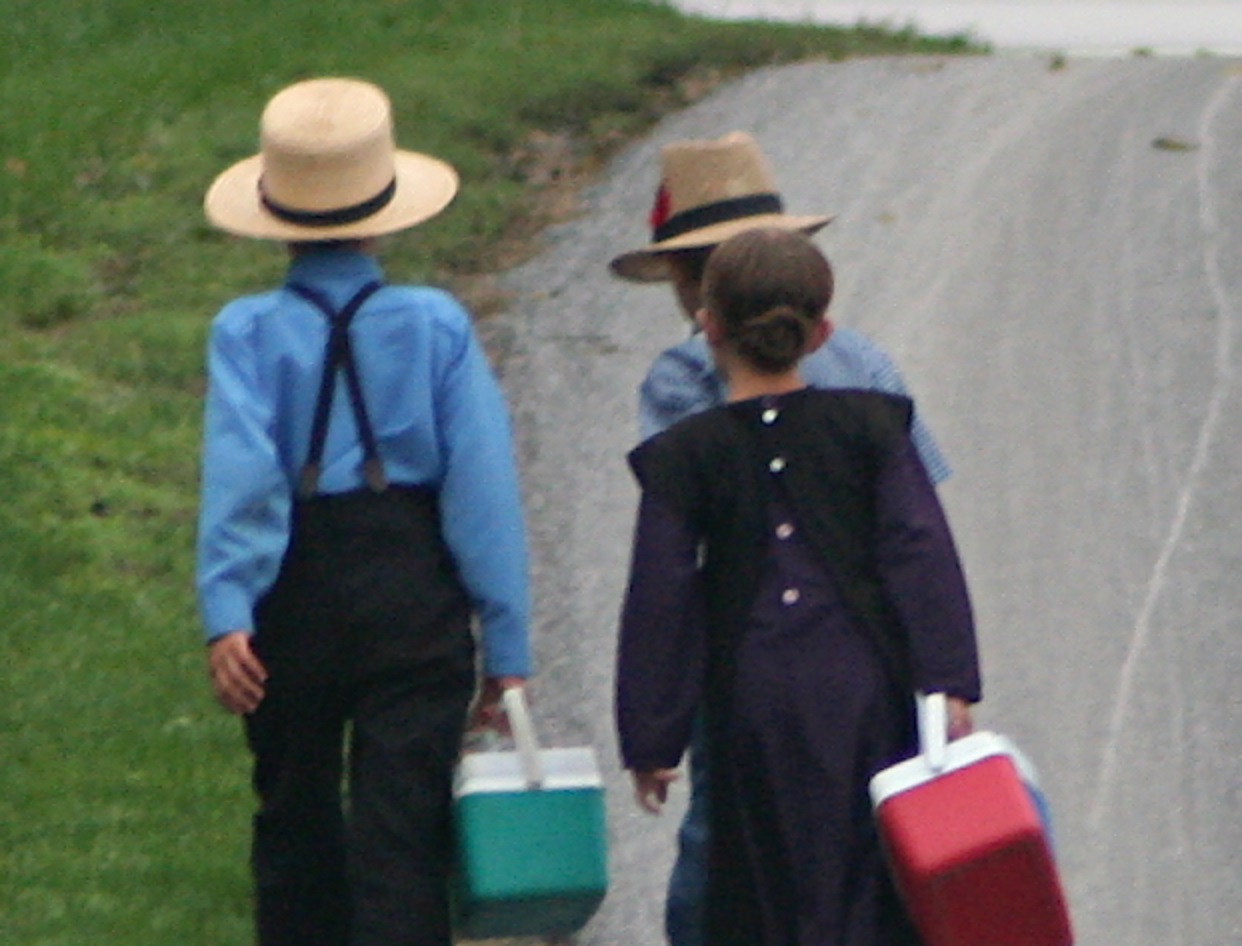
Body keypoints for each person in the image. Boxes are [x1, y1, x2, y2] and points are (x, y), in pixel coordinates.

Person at [196, 77, 531, 946]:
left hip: (294, 594)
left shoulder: (245, 331)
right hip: (412, 593)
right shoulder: (436, 325)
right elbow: (482, 493)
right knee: (405, 834)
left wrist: (229, 609)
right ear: (384, 217)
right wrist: (506, 644)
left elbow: (242, 480)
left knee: (293, 815)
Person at [609, 131, 951, 946]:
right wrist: (946, 676)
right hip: (871, 654)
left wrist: (650, 726)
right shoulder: (865, 370)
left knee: (728, 845)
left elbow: (670, 569)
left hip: (744, 655)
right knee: (873, 835)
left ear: (698, 298)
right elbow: (920, 521)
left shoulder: (681, 380)